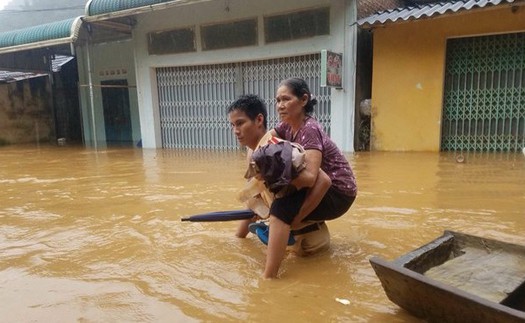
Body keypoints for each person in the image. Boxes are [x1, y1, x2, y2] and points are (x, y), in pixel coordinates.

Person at [229, 81, 357, 278]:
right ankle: (253, 236)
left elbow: (317, 178)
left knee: (281, 209)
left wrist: (293, 218)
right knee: (261, 191)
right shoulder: (286, 127)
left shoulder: (310, 129)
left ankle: (269, 277)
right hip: (321, 184)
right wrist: (256, 163)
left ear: (303, 99)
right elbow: (261, 143)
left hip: (339, 192)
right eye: (278, 100)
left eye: (286, 99)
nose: (280, 105)